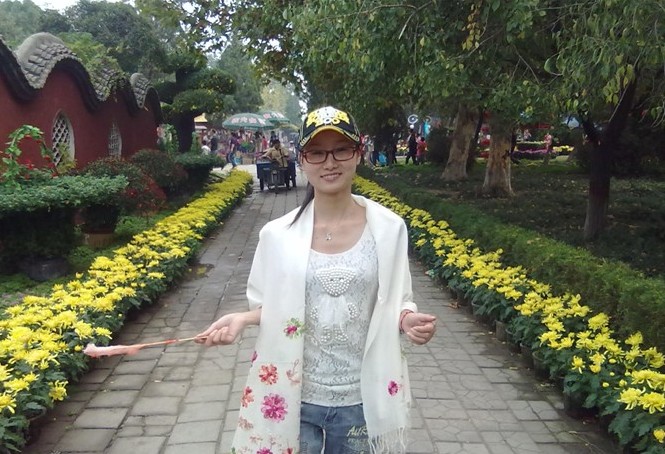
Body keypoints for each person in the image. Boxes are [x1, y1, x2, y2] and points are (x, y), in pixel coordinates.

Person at [196, 105, 437, 454]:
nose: (330, 162)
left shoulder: (388, 229)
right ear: (302, 160)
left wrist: (407, 320)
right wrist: (242, 319)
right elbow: (271, 305)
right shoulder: (276, 235)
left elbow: (398, 299)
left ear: (358, 153)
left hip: (361, 399)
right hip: (294, 396)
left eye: (341, 150)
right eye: (317, 152)